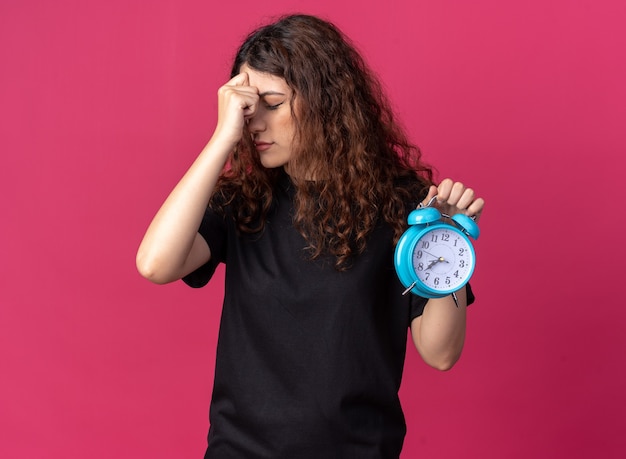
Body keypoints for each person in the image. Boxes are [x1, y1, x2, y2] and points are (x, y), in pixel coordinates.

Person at [136, 13, 485, 459]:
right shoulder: (244, 200)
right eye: (246, 107)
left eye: (273, 103)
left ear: (324, 102)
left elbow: (440, 353)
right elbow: (154, 264)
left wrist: (446, 243)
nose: (254, 122)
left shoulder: (405, 205)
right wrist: (222, 138)